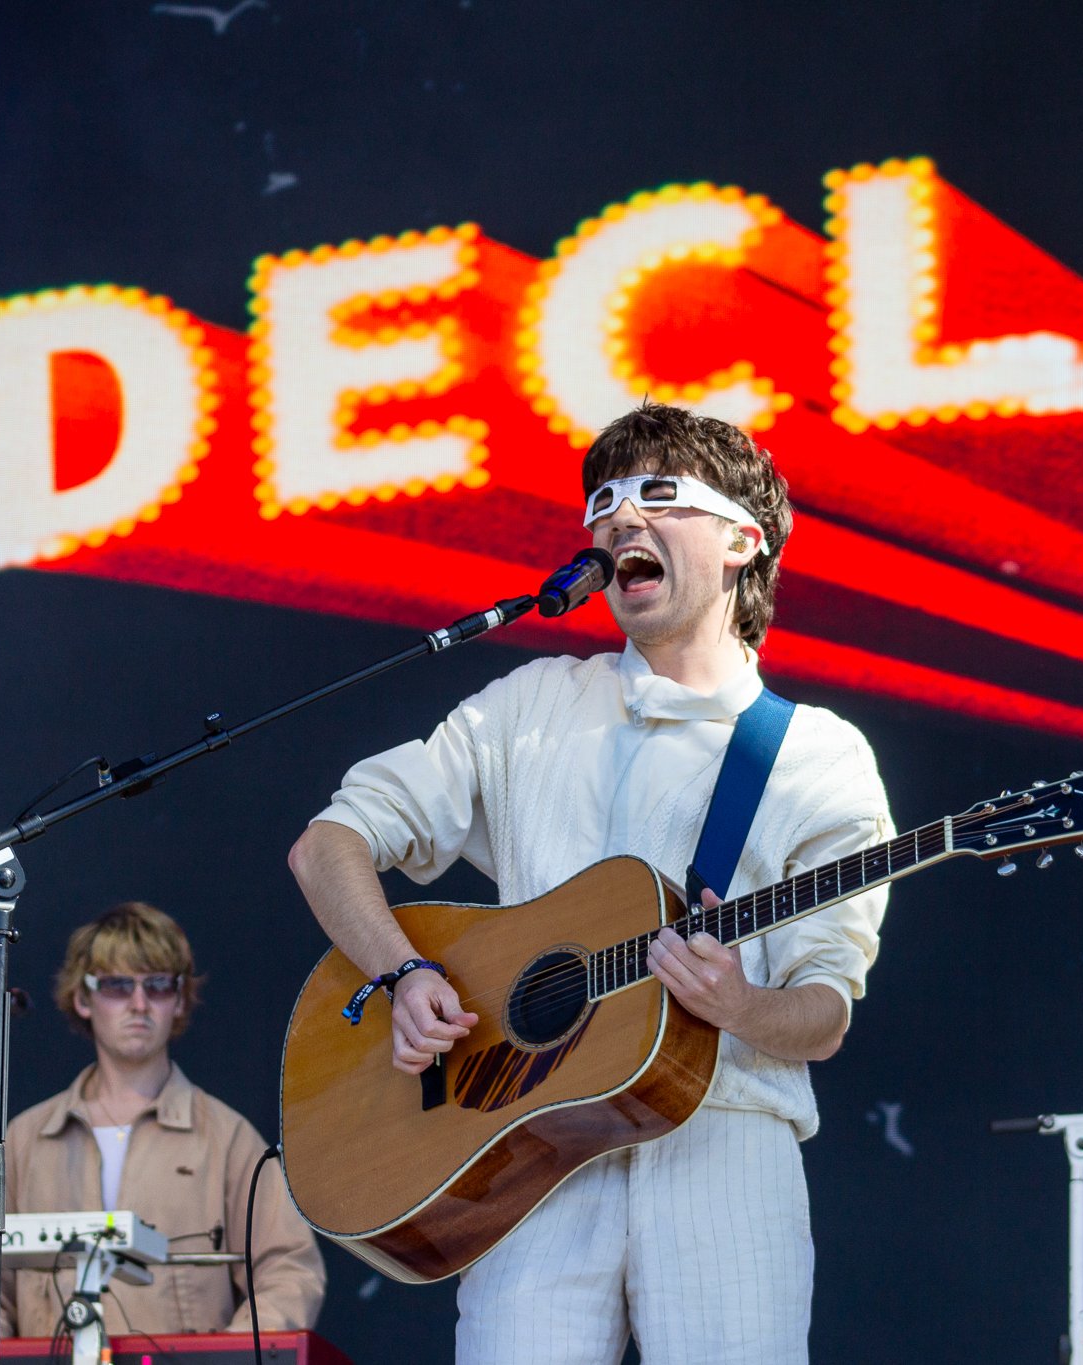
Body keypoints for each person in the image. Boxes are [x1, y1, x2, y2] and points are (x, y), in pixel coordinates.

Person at [288, 401, 894, 1364]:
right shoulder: (530, 706)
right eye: (604, 505)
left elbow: (824, 1012)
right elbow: (329, 844)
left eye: (660, 498)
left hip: (724, 1141)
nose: (619, 523)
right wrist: (401, 973)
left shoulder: (815, 755)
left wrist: (738, 1002)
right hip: (526, 1141)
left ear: (743, 538)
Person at [0, 901, 326, 1339]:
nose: (139, 1003)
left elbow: (290, 1272)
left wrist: (224, 1358)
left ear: (179, 999)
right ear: (82, 998)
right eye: (117, 985)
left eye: (158, 985)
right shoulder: (23, 1139)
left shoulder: (228, 1137)